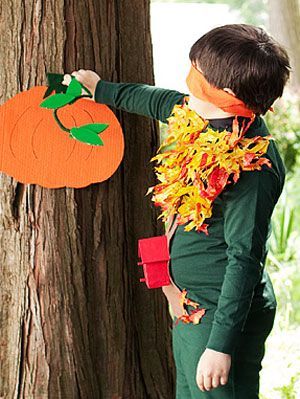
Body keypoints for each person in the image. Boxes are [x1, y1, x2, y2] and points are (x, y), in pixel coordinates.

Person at [63, 24, 290, 398]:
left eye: (197, 77)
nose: (188, 85)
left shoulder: (252, 167)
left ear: (227, 95)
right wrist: (100, 90)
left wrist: (219, 346)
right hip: (189, 305)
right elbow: (157, 101)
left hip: (219, 317)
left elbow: (244, 257)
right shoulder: (201, 119)